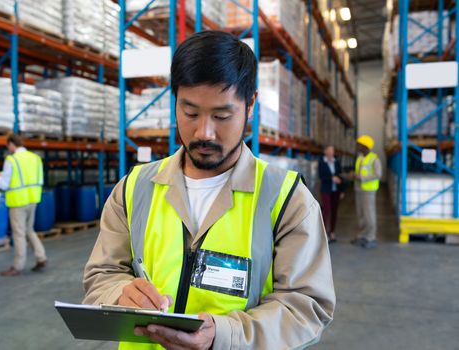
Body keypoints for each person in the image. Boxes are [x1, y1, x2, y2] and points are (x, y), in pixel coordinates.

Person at [83, 31, 335, 349]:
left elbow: (306, 308)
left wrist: (222, 335)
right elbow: (101, 274)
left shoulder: (287, 201)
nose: (204, 132)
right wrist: (119, 294)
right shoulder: (135, 188)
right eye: (190, 113)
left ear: (251, 105)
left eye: (222, 115)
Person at [0, 134, 47, 276]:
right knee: (29, 230)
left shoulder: (11, 160)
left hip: (18, 202)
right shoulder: (35, 158)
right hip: (33, 199)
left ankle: (17, 266)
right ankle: (41, 257)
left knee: (19, 233)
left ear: (11, 144)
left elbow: (4, 184)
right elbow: (40, 180)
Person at [351, 135, 382, 249]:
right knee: (361, 214)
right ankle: (363, 235)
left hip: (368, 190)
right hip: (358, 189)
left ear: (365, 146)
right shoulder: (360, 158)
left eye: (359, 144)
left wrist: (361, 177)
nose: (357, 146)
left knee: (369, 214)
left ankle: (371, 237)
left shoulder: (374, 159)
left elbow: (378, 174)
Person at [318, 145, 345, 243]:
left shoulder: (336, 162)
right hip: (326, 190)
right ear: (325, 151)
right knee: (327, 210)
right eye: (329, 150)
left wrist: (342, 190)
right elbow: (321, 176)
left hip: (336, 190)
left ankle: (332, 232)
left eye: (333, 150)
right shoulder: (322, 162)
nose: (332, 152)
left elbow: (341, 176)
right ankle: (324, 234)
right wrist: (331, 178)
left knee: (334, 211)